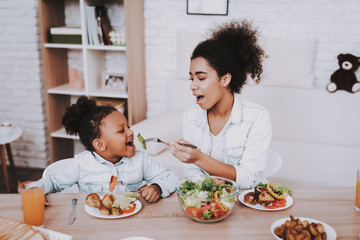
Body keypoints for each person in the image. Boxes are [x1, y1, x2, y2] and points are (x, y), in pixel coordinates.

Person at [168, 20, 272, 189]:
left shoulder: (257, 117)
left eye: (201, 78)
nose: (192, 86)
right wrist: (206, 181)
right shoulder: (191, 116)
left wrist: (198, 158)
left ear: (225, 79)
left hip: (248, 201)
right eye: (191, 78)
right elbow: (191, 171)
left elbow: (249, 178)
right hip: (208, 200)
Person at [29, 96, 179, 203]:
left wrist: (158, 187)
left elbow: (171, 177)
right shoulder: (82, 164)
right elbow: (52, 181)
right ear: (100, 144)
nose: (131, 132)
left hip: (130, 220)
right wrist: (36, 191)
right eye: (121, 131)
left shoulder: (141, 160)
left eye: (129, 126)